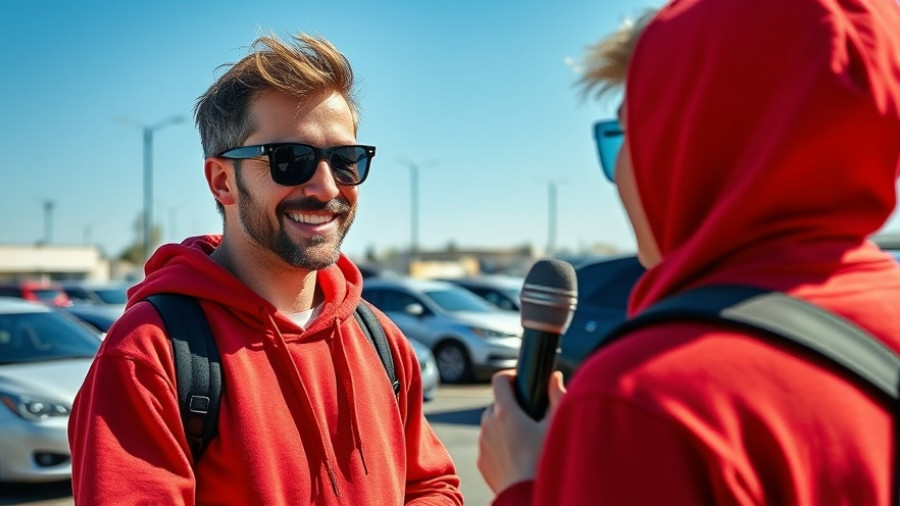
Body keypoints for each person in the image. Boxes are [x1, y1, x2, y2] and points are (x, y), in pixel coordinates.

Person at [478, 0, 900, 504]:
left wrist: (524, 483)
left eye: (627, 134)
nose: (620, 175)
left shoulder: (644, 398)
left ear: (687, 137)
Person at [69, 32, 463, 506]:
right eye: (290, 160)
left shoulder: (380, 339)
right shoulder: (150, 353)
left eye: (345, 161)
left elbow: (431, 486)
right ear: (222, 181)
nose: (325, 187)